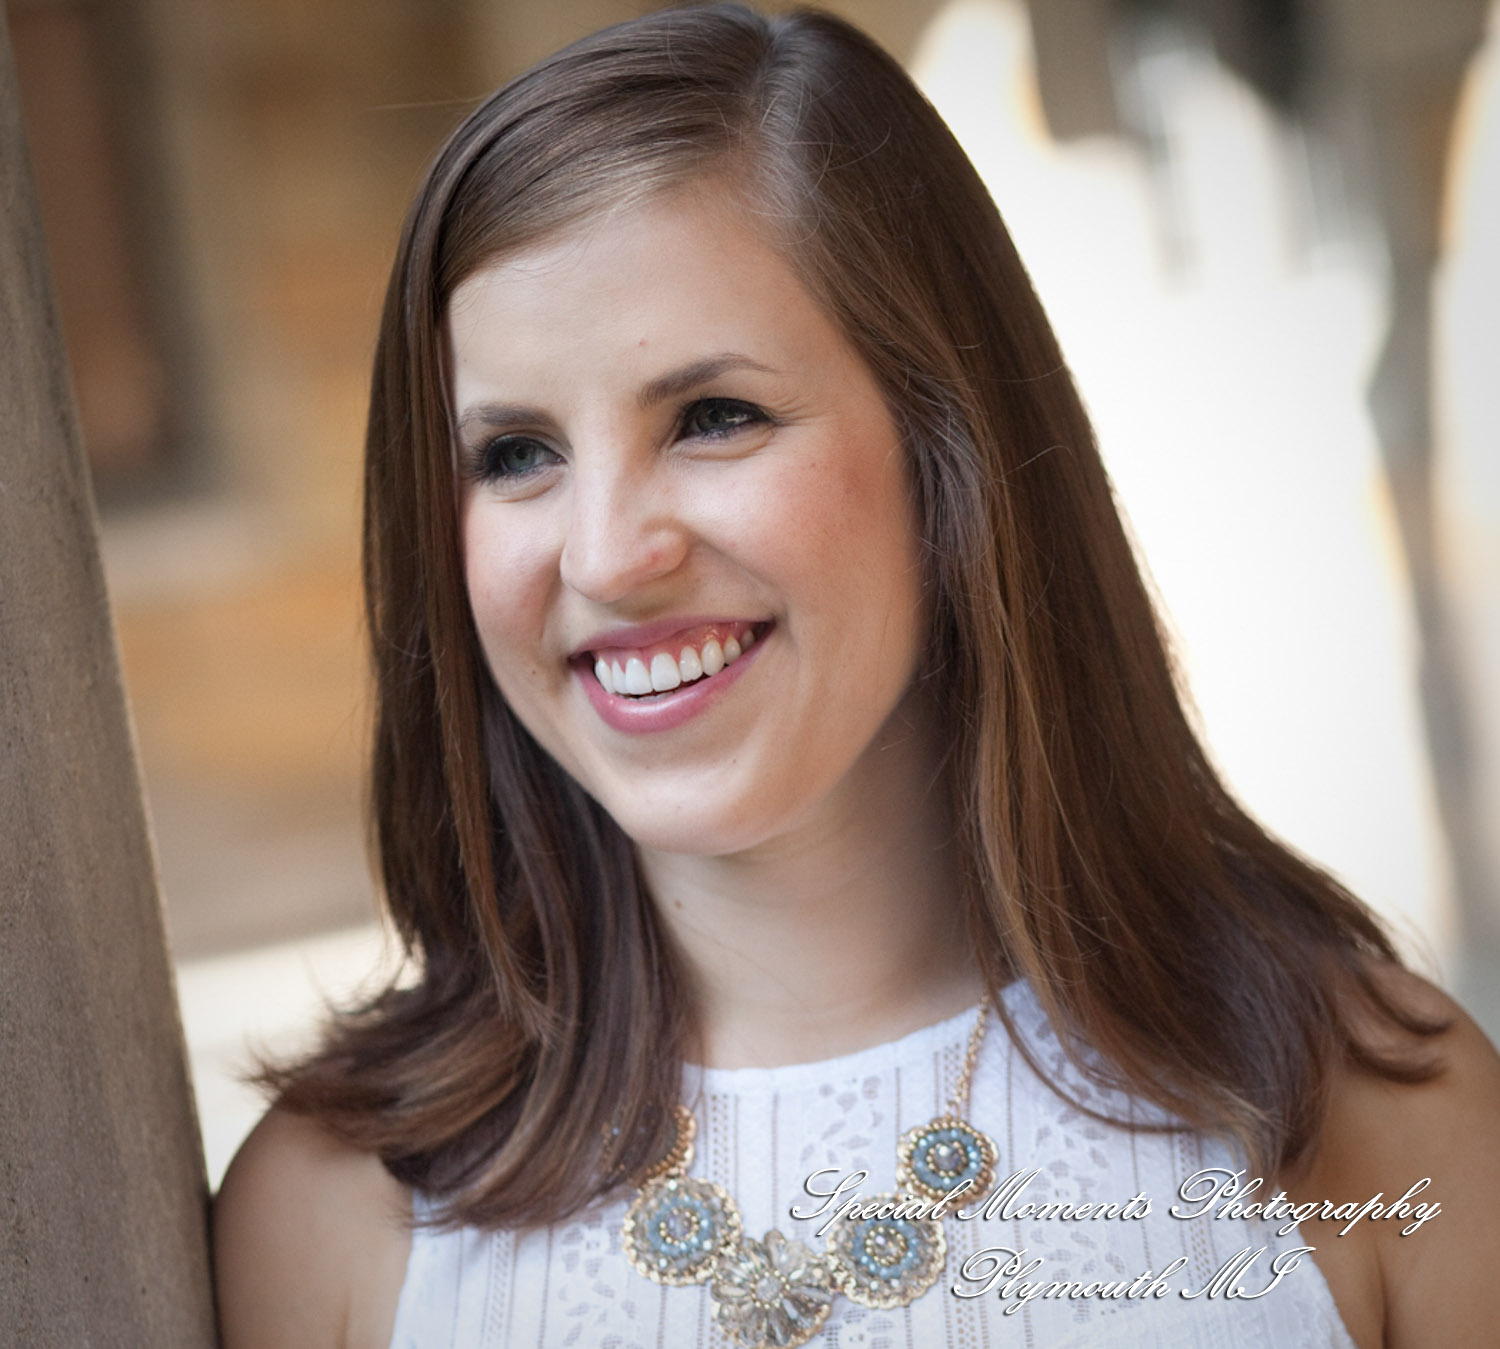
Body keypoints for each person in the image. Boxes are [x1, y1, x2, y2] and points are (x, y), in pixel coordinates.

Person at [211, 5, 1500, 1347]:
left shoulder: (1382, 1123)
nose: (603, 555)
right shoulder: (331, 1221)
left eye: (714, 417)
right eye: (516, 454)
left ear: (952, 457)